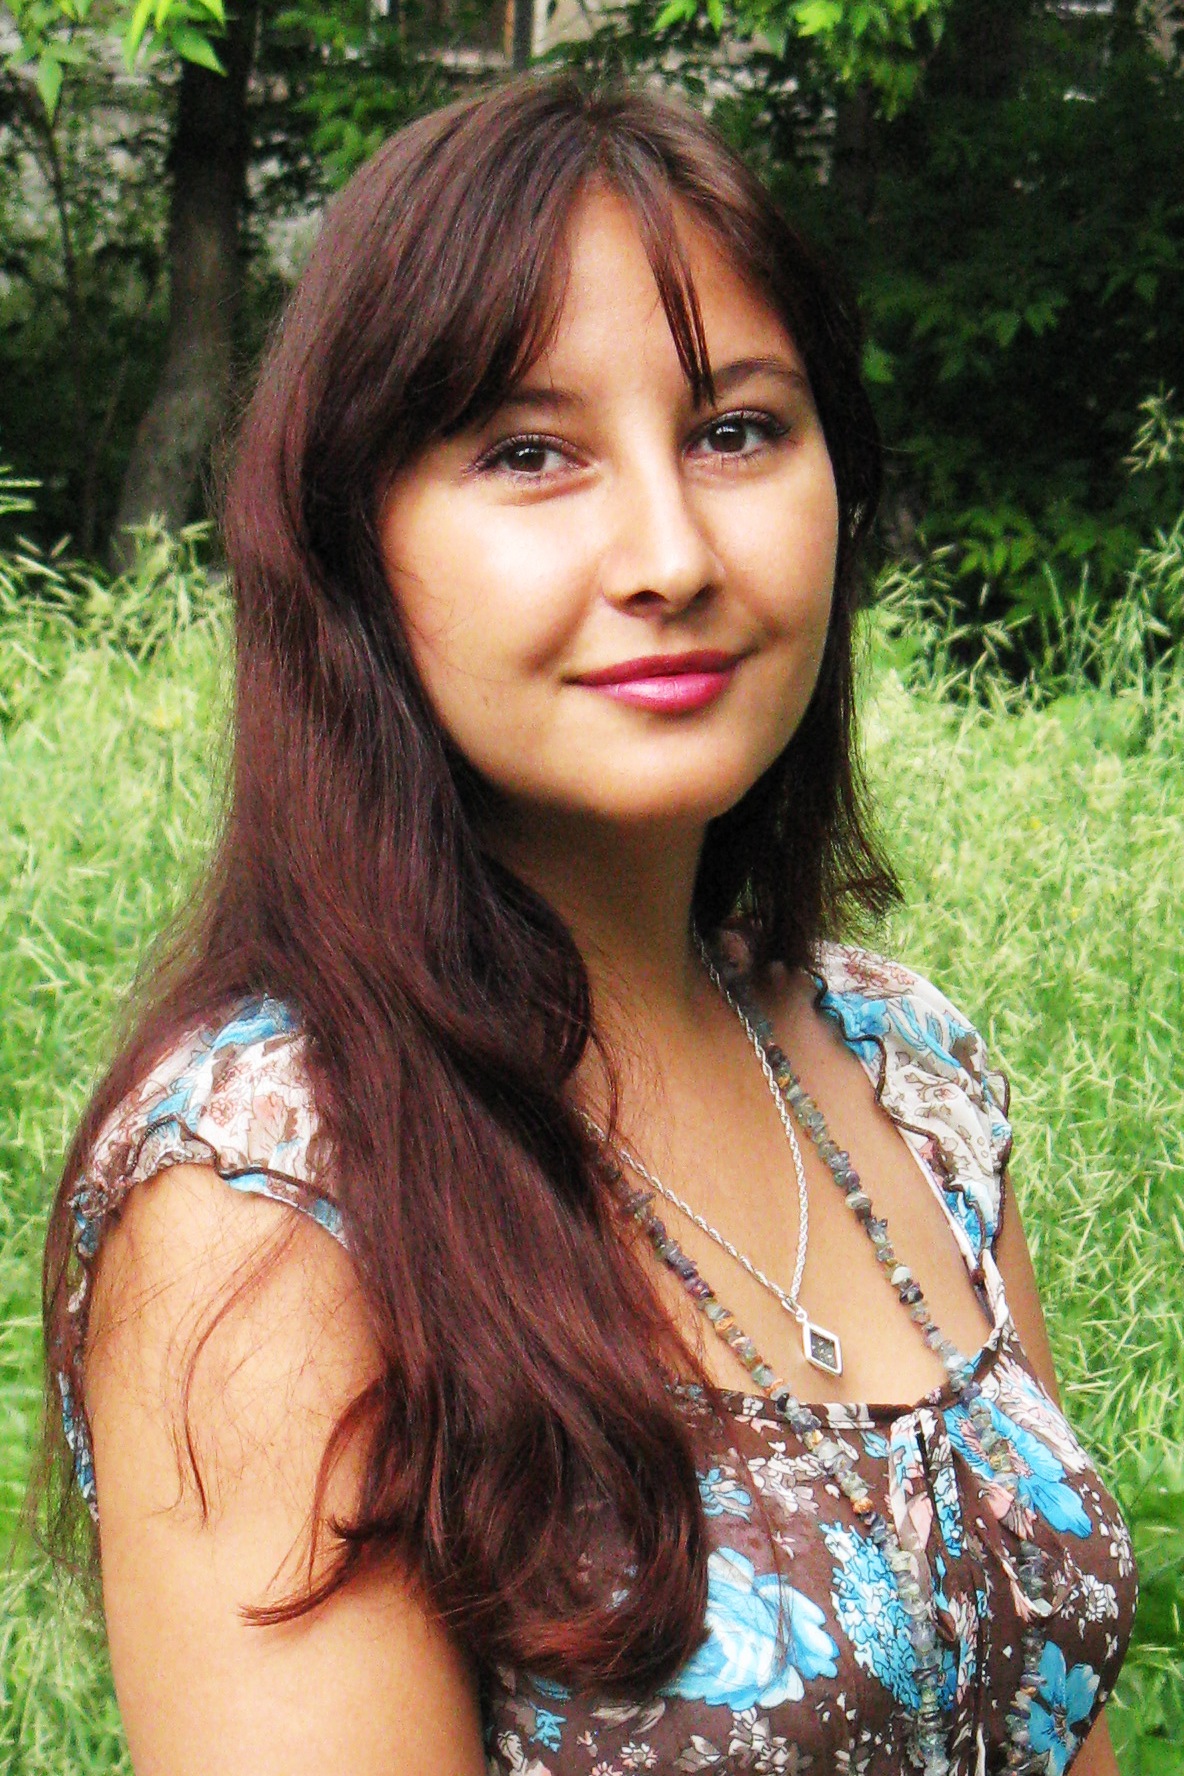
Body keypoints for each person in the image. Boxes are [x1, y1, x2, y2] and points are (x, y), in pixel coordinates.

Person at [43, 73, 1134, 1776]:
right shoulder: (268, 1199)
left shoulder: (907, 1070)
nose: (670, 554)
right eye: (529, 453)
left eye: (736, 431)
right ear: (351, 545)